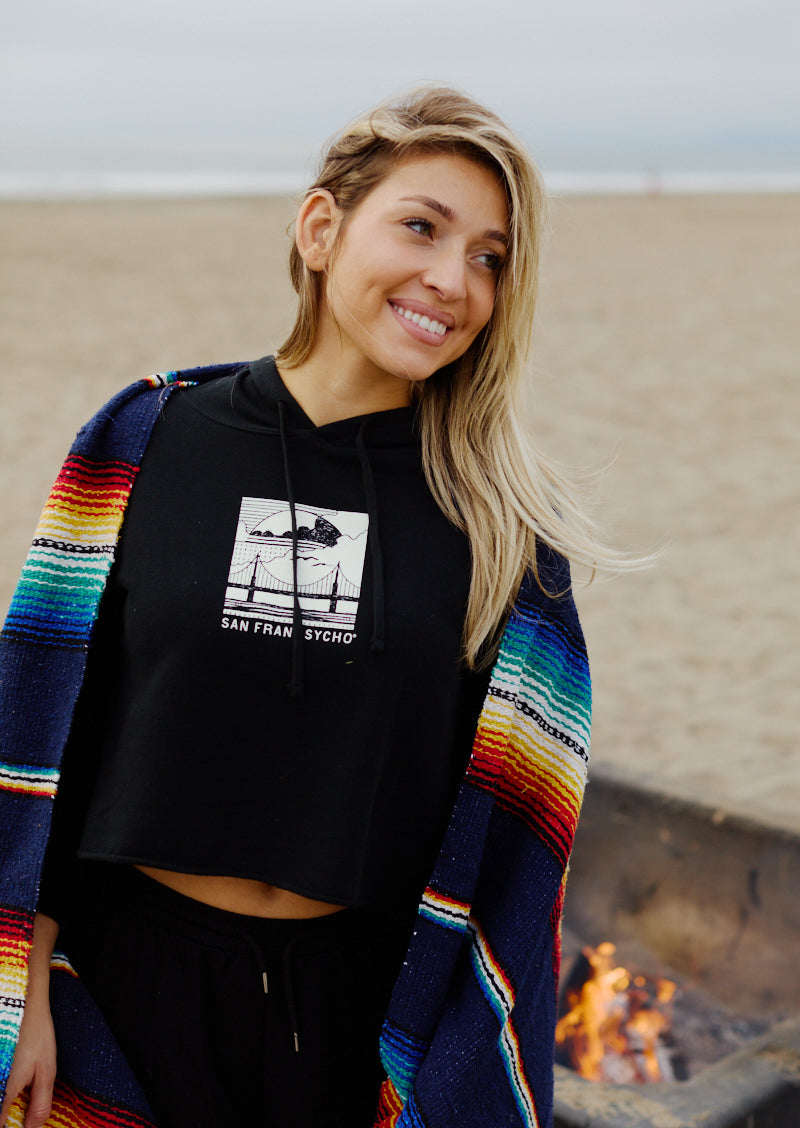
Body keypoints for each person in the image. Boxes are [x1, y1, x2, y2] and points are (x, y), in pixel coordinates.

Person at [0, 86, 607, 1128]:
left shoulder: (501, 520)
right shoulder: (150, 436)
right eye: (420, 226)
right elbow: (53, 725)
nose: (450, 279)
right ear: (320, 228)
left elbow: (506, 844)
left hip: (359, 1014)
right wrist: (24, 985)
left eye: (488, 257)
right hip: (119, 983)